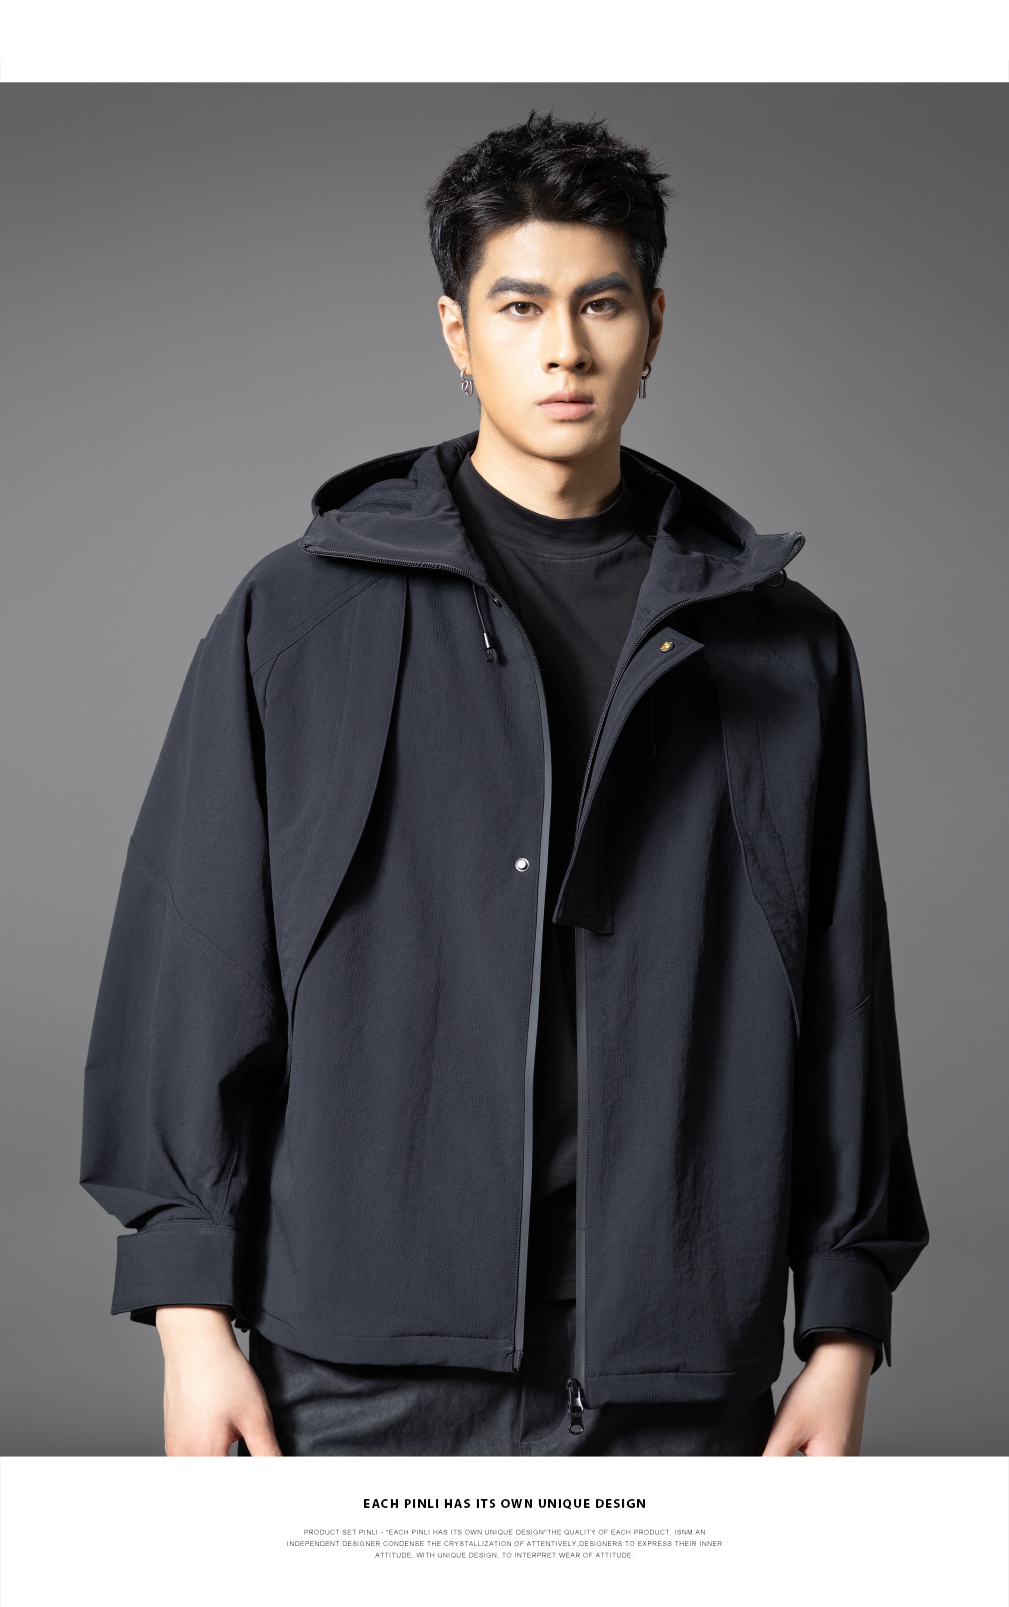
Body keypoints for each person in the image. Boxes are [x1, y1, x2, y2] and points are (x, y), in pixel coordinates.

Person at [80, 112, 928, 1458]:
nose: (564, 349)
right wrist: (192, 1321)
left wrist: (841, 1331)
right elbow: (191, 963)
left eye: (601, 304)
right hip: (355, 1368)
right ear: (456, 330)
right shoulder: (298, 617)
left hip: (670, 1373)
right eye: (520, 305)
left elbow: (840, 994)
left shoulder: (782, 646)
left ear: (653, 323)